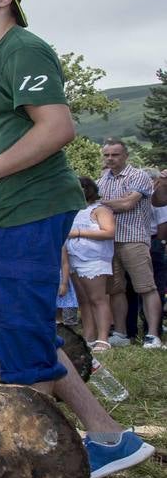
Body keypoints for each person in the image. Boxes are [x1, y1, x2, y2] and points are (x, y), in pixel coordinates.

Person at [0, 0, 152, 478]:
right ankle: (108, 436)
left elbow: (57, 128)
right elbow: (3, 136)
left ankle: (25, 463)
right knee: (16, 331)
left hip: (29, 210)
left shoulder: (24, 49)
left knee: (18, 333)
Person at [96, 139, 163, 347]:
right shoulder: (102, 179)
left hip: (133, 238)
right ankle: (122, 333)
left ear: (125, 156)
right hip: (109, 241)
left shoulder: (139, 176)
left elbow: (127, 203)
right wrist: (112, 203)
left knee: (146, 287)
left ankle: (152, 335)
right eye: (107, 155)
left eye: (115, 155)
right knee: (116, 289)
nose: (110, 159)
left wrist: (101, 203)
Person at [63, 176, 116, 351]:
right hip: (74, 258)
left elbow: (109, 232)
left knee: (98, 299)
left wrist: (78, 232)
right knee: (83, 300)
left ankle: (103, 338)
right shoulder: (72, 210)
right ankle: (88, 335)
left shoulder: (100, 210)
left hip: (94, 259)